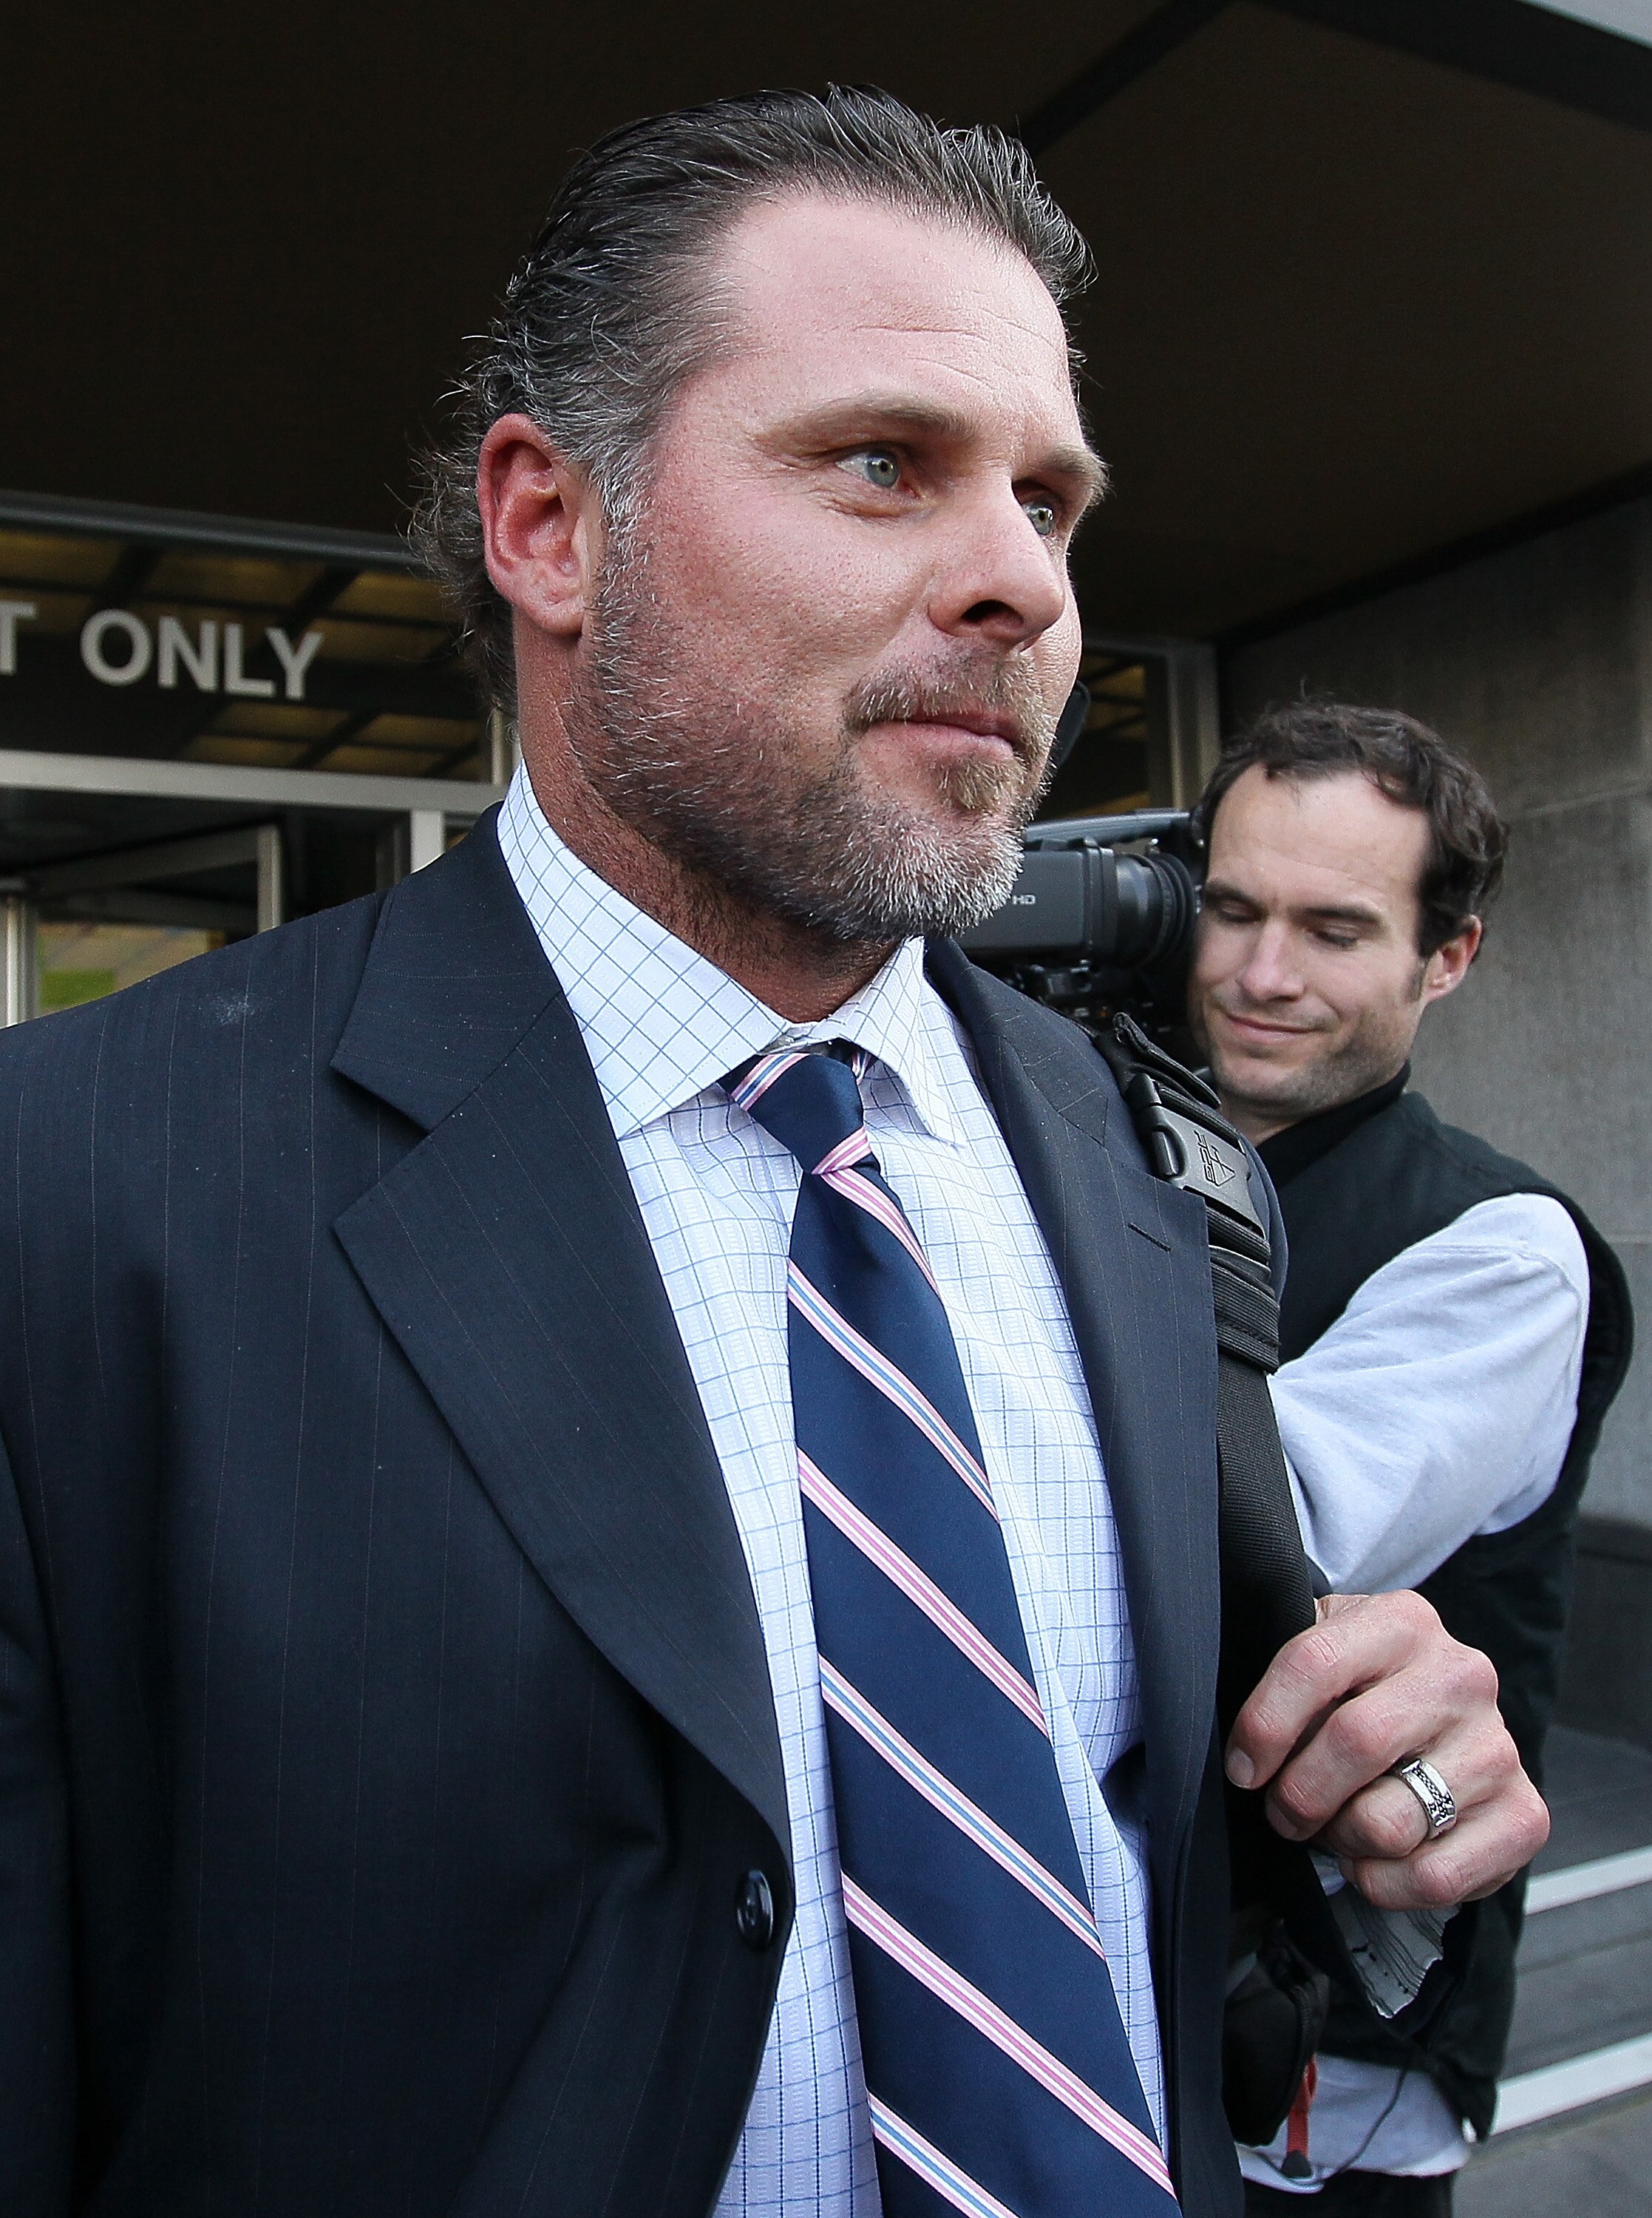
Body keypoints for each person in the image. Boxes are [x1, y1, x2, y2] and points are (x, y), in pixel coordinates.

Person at [0, 95, 1546, 2218]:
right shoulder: (73, 1190)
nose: (1019, 577)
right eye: (882, 463)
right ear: (551, 525)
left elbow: (1130, 1872)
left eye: (1051, 499)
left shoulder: (1138, 1158)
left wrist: (1368, 1808)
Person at [1188, 703, 1631, 2216]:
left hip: (1334, 2058)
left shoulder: (1502, 1251)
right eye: (1230, 909)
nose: (1256, 974)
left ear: (1445, 958)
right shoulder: (1116, 1144)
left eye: (1329, 929)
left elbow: (1244, 1530)